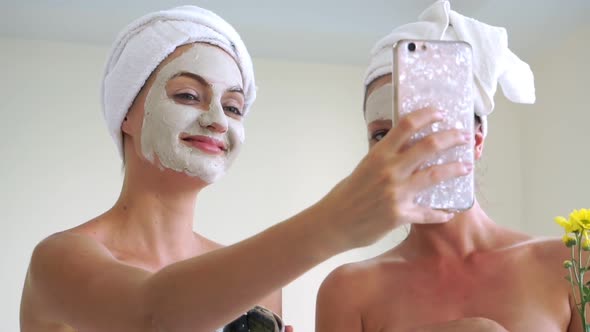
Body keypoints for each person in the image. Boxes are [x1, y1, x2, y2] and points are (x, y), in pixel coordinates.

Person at [19, 5, 466, 332]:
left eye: (233, 106)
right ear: (126, 115)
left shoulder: (256, 292)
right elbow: (151, 314)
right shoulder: (61, 261)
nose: (217, 119)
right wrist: (337, 221)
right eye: (188, 95)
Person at [316, 1, 578, 331]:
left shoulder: (570, 265)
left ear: (476, 140)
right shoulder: (348, 291)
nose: (403, 149)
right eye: (382, 134)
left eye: (428, 129)